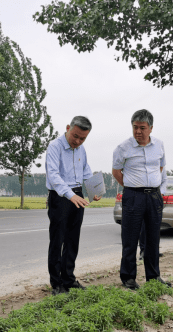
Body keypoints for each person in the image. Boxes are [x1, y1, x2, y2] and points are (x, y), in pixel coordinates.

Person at [112, 109, 169, 290]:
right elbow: (116, 172)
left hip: (154, 196)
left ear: (150, 128)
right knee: (130, 239)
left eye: (142, 128)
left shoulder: (159, 145)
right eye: (135, 127)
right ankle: (128, 279)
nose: (138, 131)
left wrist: (153, 186)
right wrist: (132, 186)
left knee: (153, 239)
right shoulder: (123, 148)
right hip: (133, 197)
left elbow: (160, 167)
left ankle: (153, 277)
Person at [46, 116, 101, 296]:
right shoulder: (55, 147)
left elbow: (86, 171)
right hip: (60, 196)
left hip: (78, 195)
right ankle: (56, 283)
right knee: (57, 240)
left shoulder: (81, 149)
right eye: (75, 136)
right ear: (68, 128)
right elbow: (54, 176)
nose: (77, 141)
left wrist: (93, 190)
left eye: (82, 138)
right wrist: (70, 195)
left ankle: (69, 279)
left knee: (72, 240)